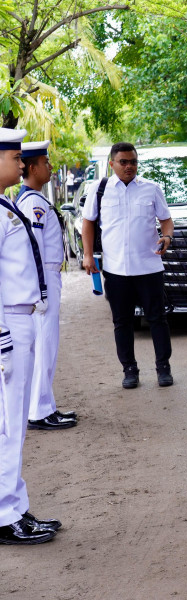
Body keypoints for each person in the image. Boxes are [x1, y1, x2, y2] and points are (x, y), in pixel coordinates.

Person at [0, 127, 60, 544]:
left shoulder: (5, 205)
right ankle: (6, 515)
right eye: (13, 157)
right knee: (7, 426)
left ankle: (14, 506)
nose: (20, 165)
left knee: (14, 425)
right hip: (7, 323)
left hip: (18, 318)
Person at [81, 142, 174, 389]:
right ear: (112, 163)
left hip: (149, 267)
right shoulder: (99, 189)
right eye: (123, 162)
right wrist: (88, 255)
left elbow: (166, 220)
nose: (129, 166)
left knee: (157, 319)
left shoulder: (151, 189)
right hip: (116, 269)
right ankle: (129, 370)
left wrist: (167, 237)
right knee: (122, 322)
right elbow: (88, 223)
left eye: (133, 161)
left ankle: (163, 367)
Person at [15, 141, 77, 431]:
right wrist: (39, 290)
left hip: (47, 278)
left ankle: (44, 406)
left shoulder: (34, 199)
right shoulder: (33, 203)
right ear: (32, 167)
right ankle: (39, 411)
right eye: (46, 162)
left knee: (46, 345)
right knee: (44, 345)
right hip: (44, 280)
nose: (50, 167)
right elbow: (34, 250)